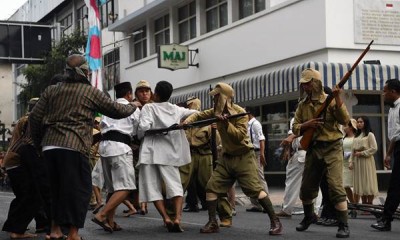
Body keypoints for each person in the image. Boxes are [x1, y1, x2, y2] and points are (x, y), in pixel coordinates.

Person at [29, 54, 140, 240]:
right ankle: (73, 234)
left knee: (56, 191)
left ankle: (55, 231)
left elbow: (34, 117)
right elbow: (116, 110)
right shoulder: (89, 91)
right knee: (78, 191)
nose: (89, 74)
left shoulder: (51, 90)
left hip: (49, 147)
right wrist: (133, 105)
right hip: (73, 146)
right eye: (87, 71)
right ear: (83, 72)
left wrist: (40, 143)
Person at [183, 82, 282, 235]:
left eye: (216, 96)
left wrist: (227, 124)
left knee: (255, 190)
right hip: (226, 157)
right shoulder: (215, 111)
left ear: (225, 97)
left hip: (243, 156)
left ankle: (275, 220)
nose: (214, 99)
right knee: (211, 187)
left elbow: (239, 136)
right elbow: (198, 115)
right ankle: (213, 222)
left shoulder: (240, 113)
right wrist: (186, 123)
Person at [292, 68, 350, 238]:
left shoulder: (331, 100)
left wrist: (338, 97)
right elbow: (295, 127)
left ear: (316, 83)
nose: (305, 86)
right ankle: (309, 216)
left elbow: (345, 120)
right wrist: (306, 125)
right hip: (313, 148)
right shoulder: (302, 105)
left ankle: (343, 224)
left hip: (332, 147)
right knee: (306, 188)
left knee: (335, 187)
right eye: (304, 84)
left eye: (308, 83)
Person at [137, 81, 198, 232]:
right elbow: (196, 113)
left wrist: (151, 128)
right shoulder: (175, 109)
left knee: (152, 188)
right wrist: (184, 121)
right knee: (175, 187)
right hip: (169, 154)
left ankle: (166, 218)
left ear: (155, 94)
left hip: (150, 153)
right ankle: (177, 218)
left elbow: (144, 127)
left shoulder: (148, 107)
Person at [92, 81, 140, 233]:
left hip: (104, 148)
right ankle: (102, 215)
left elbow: (102, 127)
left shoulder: (109, 108)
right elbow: (140, 130)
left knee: (113, 188)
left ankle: (110, 222)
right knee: (126, 187)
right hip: (120, 147)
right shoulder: (132, 107)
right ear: (129, 94)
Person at [2, 98, 50, 239]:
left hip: (14, 158)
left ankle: (15, 227)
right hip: (18, 159)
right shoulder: (29, 120)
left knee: (25, 196)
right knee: (31, 196)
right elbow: (29, 142)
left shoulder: (24, 119)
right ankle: (17, 229)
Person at [371, 79, 400, 231]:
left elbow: (397, 135)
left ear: (394, 92)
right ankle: (385, 218)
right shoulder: (392, 109)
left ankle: (386, 219)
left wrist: (388, 154)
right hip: (397, 148)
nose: (383, 94)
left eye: (385, 91)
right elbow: (393, 135)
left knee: (395, 186)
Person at [350, 116, 379, 205]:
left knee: (368, 182)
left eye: (361, 122)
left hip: (366, 161)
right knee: (361, 183)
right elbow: (352, 150)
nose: (359, 124)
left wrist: (362, 153)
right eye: (358, 122)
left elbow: (374, 148)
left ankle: (369, 204)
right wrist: (351, 161)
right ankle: (364, 204)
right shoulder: (356, 135)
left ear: (365, 123)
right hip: (357, 162)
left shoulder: (370, 134)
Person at [245, 106, 269, 213]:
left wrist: (262, 154)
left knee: (259, 177)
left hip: (256, 152)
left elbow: (261, 139)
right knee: (250, 178)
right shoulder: (247, 124)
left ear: (248, 113)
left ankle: (266, 204)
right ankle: (255, 204)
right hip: (249, 153)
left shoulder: (255, 124)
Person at [343, 119, 357, 204]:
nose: (344, 128)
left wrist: (348, 154)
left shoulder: (356, 138)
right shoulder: (343, 138)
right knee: (345, 185)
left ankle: (355, 204)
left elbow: (356, 150)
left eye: (346, 126)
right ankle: (352, 203)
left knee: (355, 185)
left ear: (351, 127)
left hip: (353, 163)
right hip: (343, 164)